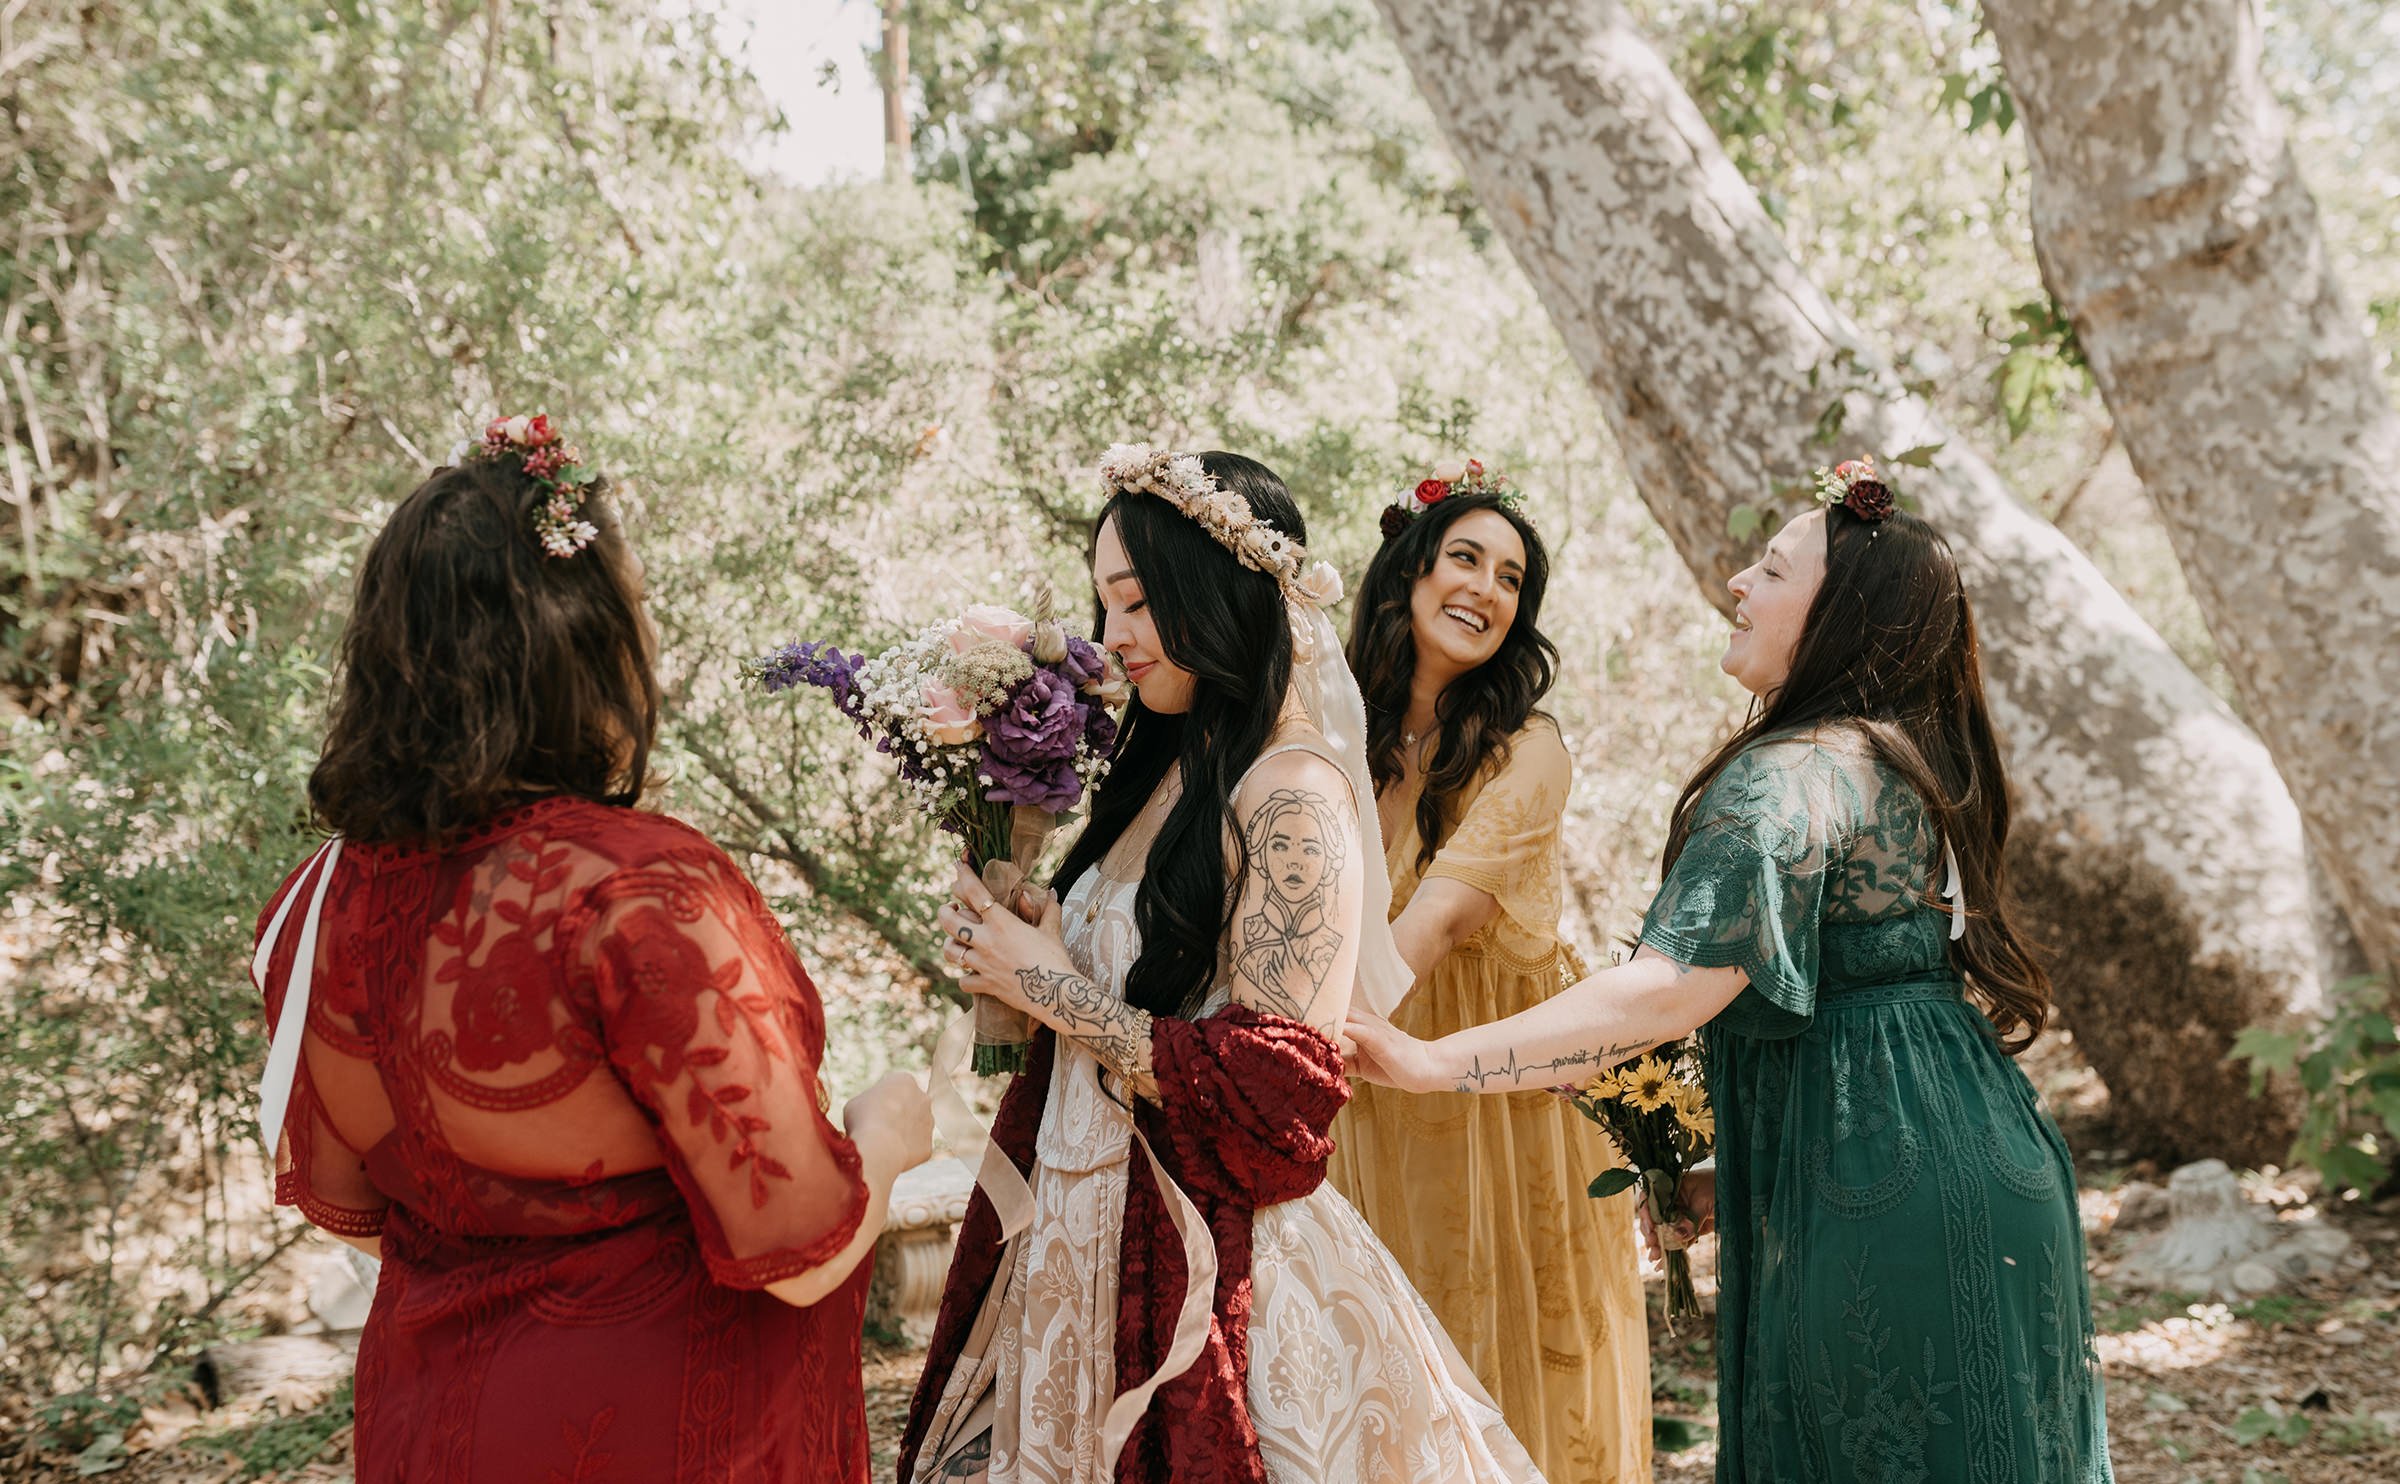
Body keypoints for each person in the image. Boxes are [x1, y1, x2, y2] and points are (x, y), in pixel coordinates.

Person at [1346, 462, 2114, 1482]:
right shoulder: (1908, 755)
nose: (1738, 585)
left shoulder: (1784, 773)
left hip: (1875, 1183)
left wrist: (1435, 1063)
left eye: (1770, 569)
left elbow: (1668, 988)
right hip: (1995, 1156)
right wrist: (1735, 1160)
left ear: (1838, 612)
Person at [252, 415, 933, 1484]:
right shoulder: (638, 894)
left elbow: (368, 1215)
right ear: (585, 641)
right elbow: (799, 1255)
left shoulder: (315, 902)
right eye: (640, 612)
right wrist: (888, 1134)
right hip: (663, 1433)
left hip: (431, 1428)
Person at [896, 446, 1545, 1484]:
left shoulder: (1292, 790)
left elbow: (1277, 1082)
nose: (1114, 637)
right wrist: (1017, 943)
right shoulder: (1155, 769)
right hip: (1066, 1227)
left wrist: (1049, 985)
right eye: (1104, 603)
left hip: (1204, 1247)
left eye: (1140, 600)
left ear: (1219, 588)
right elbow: (1067, 1021)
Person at [1323, 466, 1650, 1483]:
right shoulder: (1332, 731)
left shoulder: (1530, 748)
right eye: (1465, 556)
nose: (1488, 588)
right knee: (1376, 1346)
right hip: (1366, 1076)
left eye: (1512, 576)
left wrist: (1286, 1056)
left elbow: (1435, 920)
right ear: (1408, 573)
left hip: (1497, 1090)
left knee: (1514, 1344)